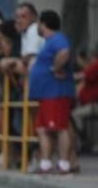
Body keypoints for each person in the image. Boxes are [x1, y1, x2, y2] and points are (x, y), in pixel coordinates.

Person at [29, 10, 76, 174]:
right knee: (42, 129)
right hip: (47, 94)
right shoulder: (49, 42)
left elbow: (64, 52)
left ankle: (64, 164)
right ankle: (46, 163)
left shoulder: (58, 39)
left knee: (60, 127)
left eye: (38, 24)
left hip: (55, 92)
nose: (37, 27)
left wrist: (55, 68)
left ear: (43, 24)